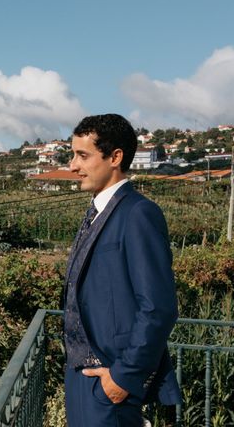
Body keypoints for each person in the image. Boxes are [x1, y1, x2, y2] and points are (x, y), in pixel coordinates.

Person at [63, 114, 181, 426]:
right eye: (73, 155)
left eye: (83, 155)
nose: (73, 166)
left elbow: (159, 308)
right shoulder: (96, 212)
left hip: (110, 380)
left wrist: (121, 379)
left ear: (115, 157)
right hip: (82, 379)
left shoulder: (139, 213)